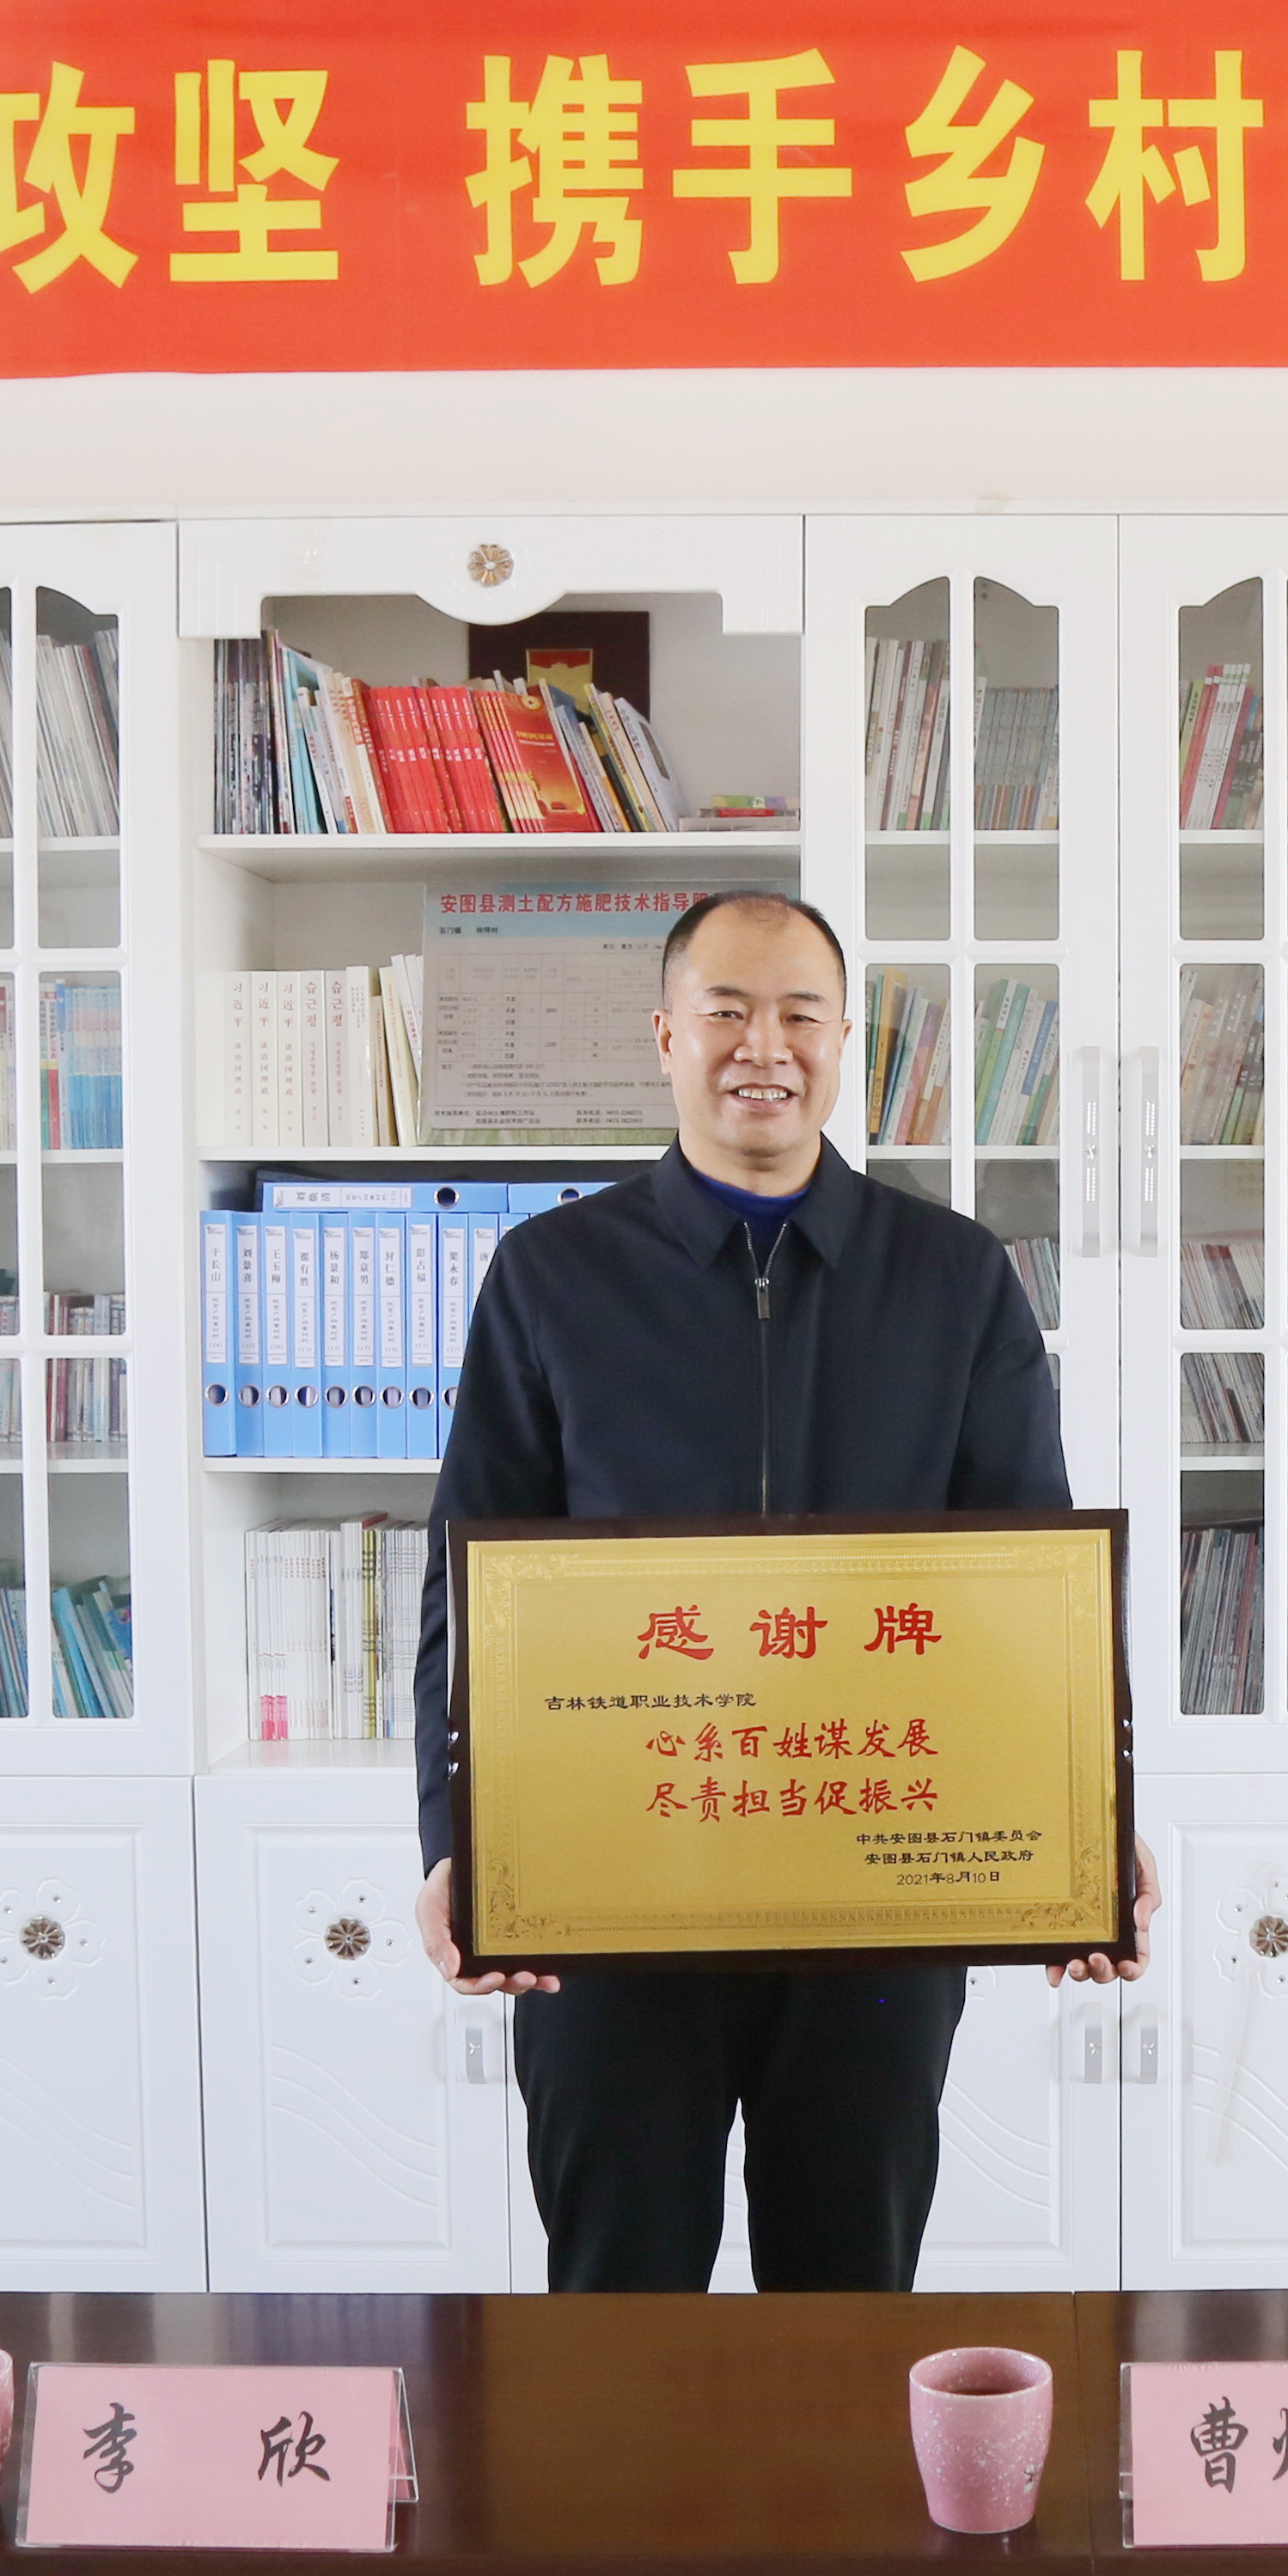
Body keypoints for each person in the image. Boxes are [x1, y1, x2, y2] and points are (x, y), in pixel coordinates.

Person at [409, 887, 1151, 2291]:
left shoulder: (953, 1275)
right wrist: (457, 1838)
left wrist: (1090, 1820)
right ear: (666, 1035)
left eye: (802, 1013)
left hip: (875, 1870)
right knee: (618, 2297)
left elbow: (1029, 1584)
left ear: (845, 1038)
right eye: (728, 1011)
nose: (766, 1046)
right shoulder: (553, 1273)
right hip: (608, 1879)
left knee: (849, 2290)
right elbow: (471, 1582)